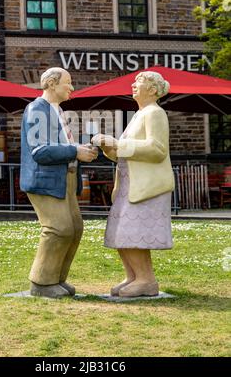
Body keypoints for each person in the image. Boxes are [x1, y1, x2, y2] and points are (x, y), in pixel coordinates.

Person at [92, 71, 174, 297]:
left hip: (145, 187)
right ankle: (133, 277)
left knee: (133, 232)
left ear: (153, 90)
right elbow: (127, 152)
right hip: (129, 185)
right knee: (122, 233)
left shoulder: (155, 113)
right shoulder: (139, 114)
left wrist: (119, 144)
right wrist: (110, 148)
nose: (133, 85)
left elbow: (157, 150)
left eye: (140, 82)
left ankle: (147, 280)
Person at [20, 67, 98, 298]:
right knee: (58, 229)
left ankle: (56, 280)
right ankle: (41, 283)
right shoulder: (37, 109)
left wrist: (82, 148)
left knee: (74, 229)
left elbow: (59, 144)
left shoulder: (58, 110)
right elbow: (40, 150)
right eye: (68, 82)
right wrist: (75, 150)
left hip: (65, 178)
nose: (72, 88)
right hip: (45, 180)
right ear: (52, 84)